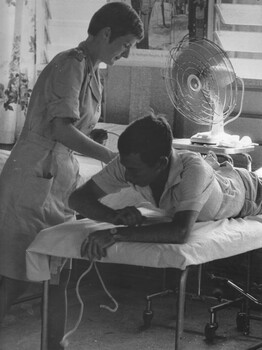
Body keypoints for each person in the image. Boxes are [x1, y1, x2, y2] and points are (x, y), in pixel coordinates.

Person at [0, 2, 143, 349]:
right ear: (106, 33)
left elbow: (71, 125)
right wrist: (110, 157)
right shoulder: (71, 65)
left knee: (59, 272)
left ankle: (54, 345)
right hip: (32, 179)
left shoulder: (92, 69)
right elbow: (60, 130)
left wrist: (92, 138)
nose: (125, 54)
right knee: (13, 277)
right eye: (124, 44)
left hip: (57, 180)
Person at [69, 112, 262, 262]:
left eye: (134, 171)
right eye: (126, 167)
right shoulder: (129, 162)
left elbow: (180, 232)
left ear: (161, 163)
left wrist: (114, 233)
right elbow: (77, 199)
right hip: (221, 178)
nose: (127, 176)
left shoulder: (193, 171)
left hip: (250, 193)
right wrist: (113, 216)